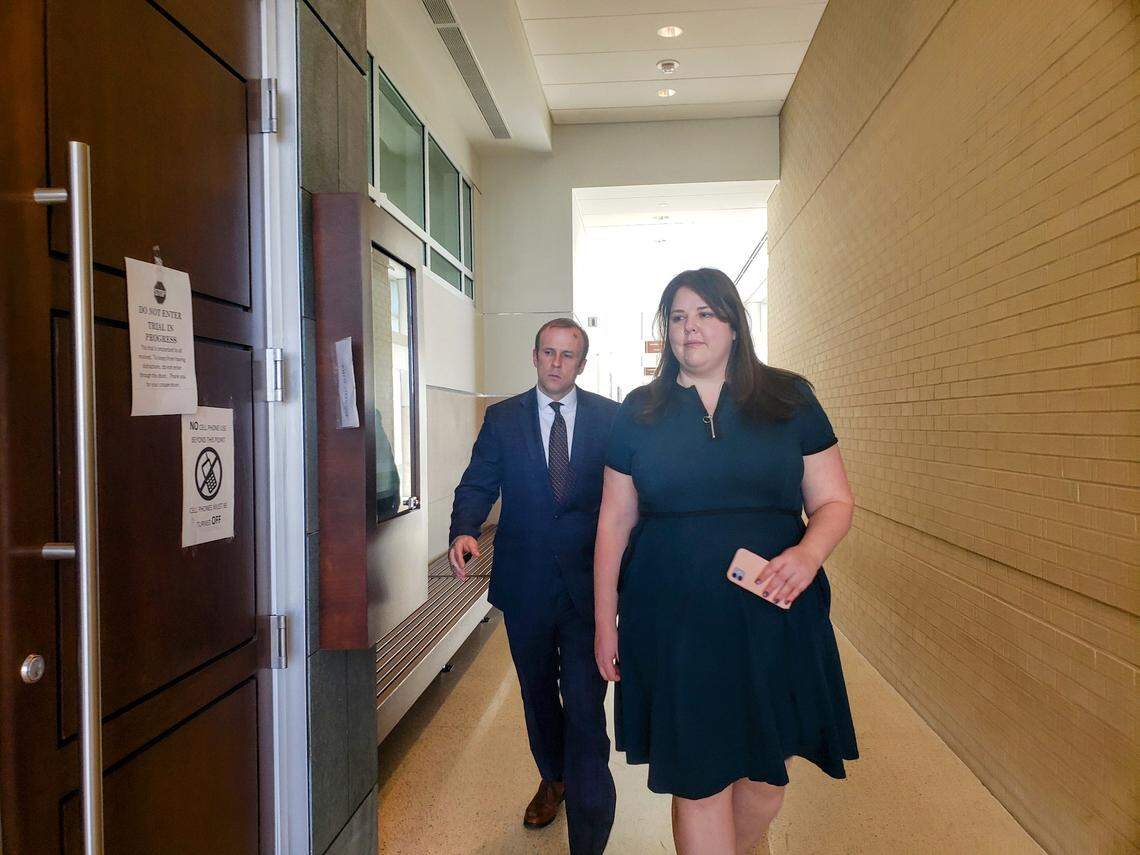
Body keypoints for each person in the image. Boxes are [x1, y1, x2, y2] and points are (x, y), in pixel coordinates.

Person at [593, 269, 859, 854]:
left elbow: (835, 501)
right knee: (697, 776)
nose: (691, 328)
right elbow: (614, 520)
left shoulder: (789, 399)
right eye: (678, 317)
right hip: (673, 622)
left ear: (735, 324)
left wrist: (809, 553)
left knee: (765, 778)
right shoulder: (639, 411)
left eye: (705, 314)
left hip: (773, 614)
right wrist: (603, 620)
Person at [449, 318, 619, 855]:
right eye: (548, 352)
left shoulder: (610, 421)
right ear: (535, 355)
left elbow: (628, 501)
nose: (556, 363)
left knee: (588, 709)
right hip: (525, 586)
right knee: (538, 693)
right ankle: (554, 777)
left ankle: (588, 833)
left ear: (582, 364)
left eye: (568, 355)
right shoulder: (502, 419)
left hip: (588, 589)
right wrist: (463, 529)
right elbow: (479, 480)